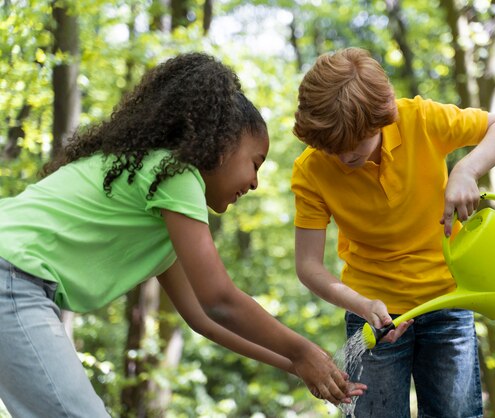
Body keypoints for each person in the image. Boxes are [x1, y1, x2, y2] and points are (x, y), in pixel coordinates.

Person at [0, 52, 365, 418]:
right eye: (255, 163)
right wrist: (301, 351)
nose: (255, 183)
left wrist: (296, 364)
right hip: (13, 275)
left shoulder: (156, 196)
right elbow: (218, 299)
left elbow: (202, 318)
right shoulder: (175, 174)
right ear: (223, 143)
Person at [290, 47, 495, 418]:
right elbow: (308, 266)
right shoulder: (311, 170)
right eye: (332, 150)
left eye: (353, 149)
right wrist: (361, 305)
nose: (342, 159)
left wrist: (466, 169)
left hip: (448, 301)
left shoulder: (420, 118)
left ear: (381, 119)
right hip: (373, 316)